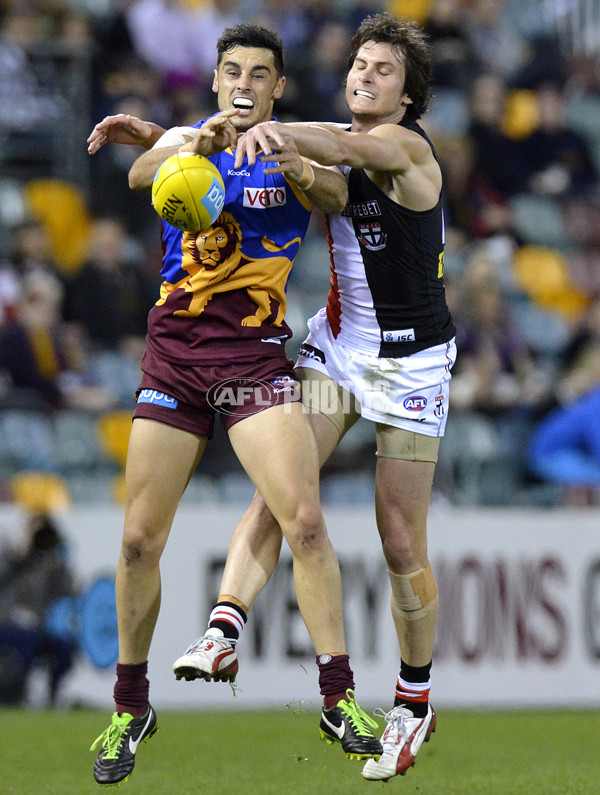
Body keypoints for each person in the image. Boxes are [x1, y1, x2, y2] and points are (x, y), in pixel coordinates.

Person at [86, 23, 381, 788]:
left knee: (305, 520)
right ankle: (130, 705)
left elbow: (338, 191)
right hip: (174, 360)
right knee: (136, 543)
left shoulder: (292, 149)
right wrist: (194, 145)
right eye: (231, 70)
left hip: (252, 361)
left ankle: (337, 697)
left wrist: (293, 163)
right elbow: (138, 174)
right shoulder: (192, 136)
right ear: (215, 81)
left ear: (277, 87)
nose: (244, 82)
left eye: (258, 72)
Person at [176, 12, 457, 782]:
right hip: (337, 350)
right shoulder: (329, 134)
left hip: (412, 364)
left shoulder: (403, 148)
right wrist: (167, 136)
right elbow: (296, 150)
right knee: (284, 488)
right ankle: (221, 628)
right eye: (359, 63)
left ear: (408, 97)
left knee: (400, 539)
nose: (364, 74)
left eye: (383, 70)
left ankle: (415, 697)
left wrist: (265, 127)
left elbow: (337, 149)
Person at [0, 513, 77, 706]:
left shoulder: (51, 565)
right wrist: (22, 552)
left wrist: (56, 555)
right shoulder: (12, 557)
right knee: (28, 642)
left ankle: (52, 697)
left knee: (64, 649)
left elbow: (69, 590)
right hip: (7, 624)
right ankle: (18, 694)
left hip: (36, 628)